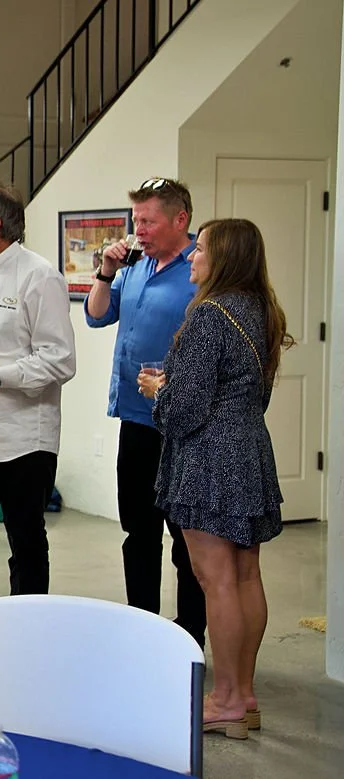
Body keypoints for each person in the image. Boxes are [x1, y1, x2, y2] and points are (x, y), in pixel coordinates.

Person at [140, 218, 291, 738]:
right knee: (246, 576)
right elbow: (252, 394)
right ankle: (243, 693)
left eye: (200, 248)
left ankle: (224, 699)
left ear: (221, 257)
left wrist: (159, 390)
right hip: (250, 448)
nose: (193, 256)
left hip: (209, 459)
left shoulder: (208, 316)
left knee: (216, 581)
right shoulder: (261, 310)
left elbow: (185, 410)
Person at [85, 177, 207, 648]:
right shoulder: (133, 263)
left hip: (183, 425)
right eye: (136, 220)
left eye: (149, 221)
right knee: (138, 531)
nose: (140, 229)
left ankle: (188, 636)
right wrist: (105, 270)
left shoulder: (200, 267)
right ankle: (143, 631)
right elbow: (97, 316)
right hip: (135, 419)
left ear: (180, 220)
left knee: (185, 539)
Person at [0, 182, 76, 604]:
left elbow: (60, 360)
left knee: (26, 543)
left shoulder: (39, 276)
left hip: (25, 439)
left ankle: (28, 632)